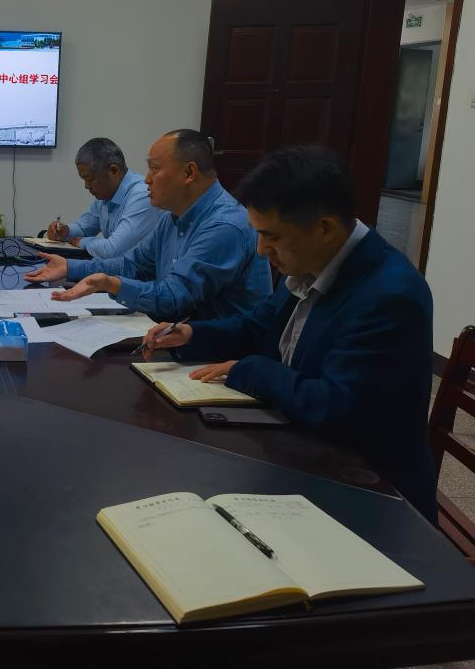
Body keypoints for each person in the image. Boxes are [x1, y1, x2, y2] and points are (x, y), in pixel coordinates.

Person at [144, 146, 437, 521]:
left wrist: (250, 369)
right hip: (297, 449)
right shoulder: (312, 260)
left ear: (325, 228)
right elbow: (256, 325)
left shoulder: (389, 295)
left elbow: (333, 407)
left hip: (369, 493)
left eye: (272, 237)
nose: (261, 250)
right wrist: (190, 333)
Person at [26, 129, 271, 322]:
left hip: (220, 356)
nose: (147, 179)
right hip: (178, 336)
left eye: (154, 168)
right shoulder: (172, 216)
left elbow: (174, 298)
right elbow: (132, 265)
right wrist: (69, 267)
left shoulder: (224, 225)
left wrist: (112, 283)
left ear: (189, 173)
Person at [45, 137, 161, 258]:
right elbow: (84, 228)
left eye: (90, 179)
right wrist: (65, 232)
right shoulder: (106, 195)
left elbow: (112, 251)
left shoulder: (143, 195)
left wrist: (82, 242)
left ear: (113, 171)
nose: (86, 186)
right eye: (84, 179)